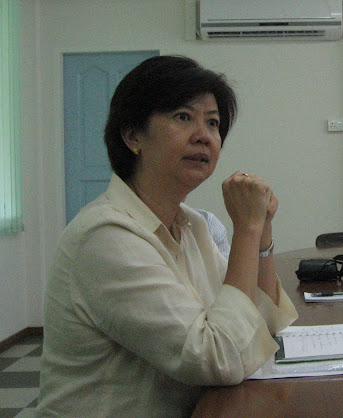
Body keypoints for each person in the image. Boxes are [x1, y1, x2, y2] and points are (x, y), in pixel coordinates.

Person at [37, 56, 298, 416]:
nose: (203, 135)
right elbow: (219, 358)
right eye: (183, 117)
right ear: (133, 136)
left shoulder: (192, 225)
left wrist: (261, 231)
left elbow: (262, 324)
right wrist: (246, 229)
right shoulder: (106, 236)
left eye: (212, 123)